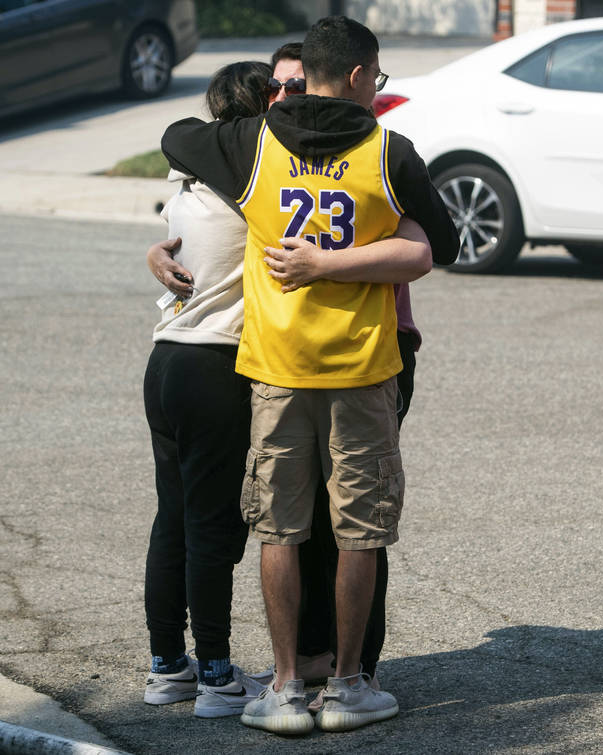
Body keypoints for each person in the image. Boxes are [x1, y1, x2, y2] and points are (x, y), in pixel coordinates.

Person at [160, 16, 458, 736]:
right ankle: (351, 683)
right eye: (375, 78)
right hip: (363, 366)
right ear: (357, 77)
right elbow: (441, 242)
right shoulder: (390, 152)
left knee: (279, 528)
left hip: (278, 368)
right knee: (360, 530)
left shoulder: (253, 144)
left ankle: (288, 685)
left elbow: (175, 136)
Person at [141, 60, 275, 720]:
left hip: (164, 362)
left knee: (173, 519)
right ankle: (218, 675)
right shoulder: (255, 192)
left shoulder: (186, 190)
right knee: (212, 527)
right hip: (216, 368)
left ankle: (168, 666)